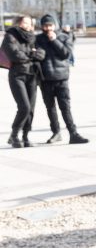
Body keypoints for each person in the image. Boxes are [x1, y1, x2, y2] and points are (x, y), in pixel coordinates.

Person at [36, 14, 88, 144]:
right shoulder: (38, 39)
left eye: (50, 25)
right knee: (50, 108)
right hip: (45, 79)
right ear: (42, 26)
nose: (48, 28)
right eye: (45, 25)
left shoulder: (64, 37)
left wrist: (54, 40)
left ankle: (73, 133)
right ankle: (56, 132)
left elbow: (66, 54)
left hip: (61, 78)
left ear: (55, 25)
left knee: (65, 107)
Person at [3, 15, 44, 148]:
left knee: (31, 109)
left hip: (32, 75)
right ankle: (14, 135)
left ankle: (25, 136)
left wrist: (33, 54)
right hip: (17, 75)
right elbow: (14, 55)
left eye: (30, 22)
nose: (28, 25)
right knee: (24, 107)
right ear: (18, 23)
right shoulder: (10, 36)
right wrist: (32, 54)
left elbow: (41, 53)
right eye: (25, 22)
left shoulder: (33, 37)